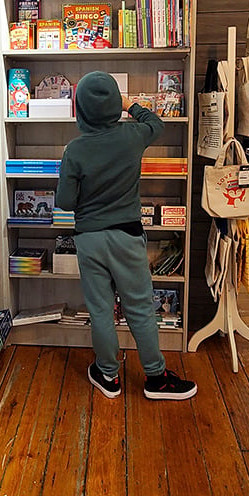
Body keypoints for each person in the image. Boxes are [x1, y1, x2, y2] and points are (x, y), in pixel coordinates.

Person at [55, 71, 197, 401]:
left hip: (89, 239)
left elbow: (64, 202)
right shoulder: (133, 136)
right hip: (128, 236)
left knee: (101, 310)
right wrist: (129, 104)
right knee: (140, 309)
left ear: (80, 110)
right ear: (114, 107)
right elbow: (156, 123)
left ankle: (108, 377)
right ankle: (156, 378)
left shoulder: (74, 150)